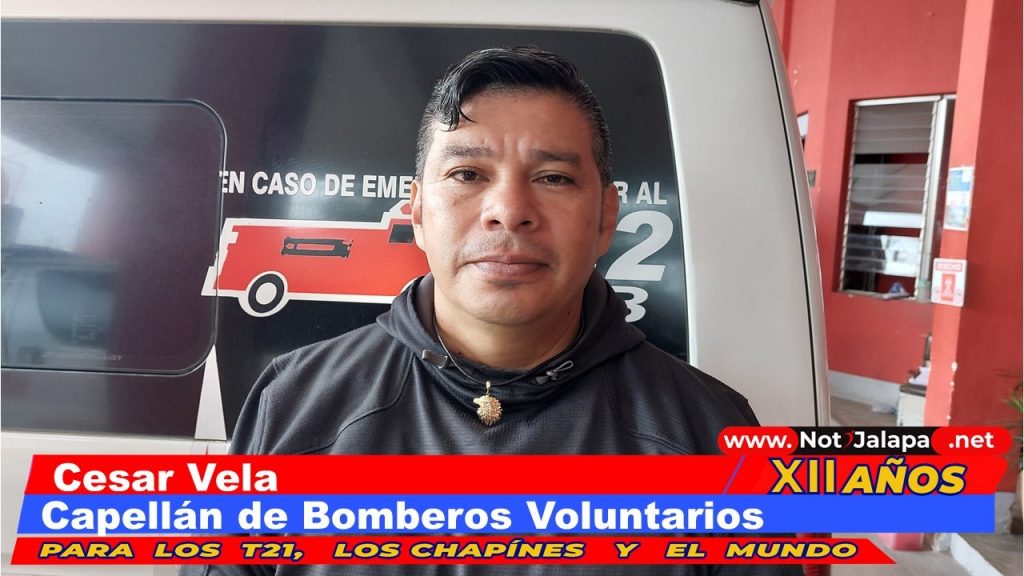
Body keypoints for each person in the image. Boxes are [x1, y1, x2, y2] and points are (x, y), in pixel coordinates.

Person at [185, 47, 799, 576]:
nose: (509, 210)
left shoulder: (710, 437)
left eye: (554, 178)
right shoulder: (294, 406)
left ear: (606, 217)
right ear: (417, 212)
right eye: (467, 173)